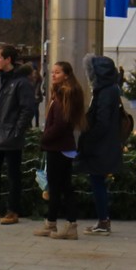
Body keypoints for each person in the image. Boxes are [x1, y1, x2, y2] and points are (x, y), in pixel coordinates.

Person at [0, 45, 35, 225]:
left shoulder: (21, 82)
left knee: (13, 174)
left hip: (11, 136)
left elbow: (27, 109)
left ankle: (12, 210)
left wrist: (17, 131)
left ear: (8, 59)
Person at [36, 61, 86, 240]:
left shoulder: (65, 95)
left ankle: (70, 225)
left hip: (60, 147)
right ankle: (51, 223)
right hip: (59, 146)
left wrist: (44, 138)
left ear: (66, 75)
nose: (54, 75)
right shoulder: (60, 94)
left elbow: (60, 124)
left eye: (57, 72)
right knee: (57, 187)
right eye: (53, 72)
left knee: (62, 187)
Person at [76, 55, 125, 235]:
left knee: (97, 181)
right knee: (97, 181)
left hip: (101, 146)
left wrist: (89, 138)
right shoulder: (109, 89)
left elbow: (102, 121)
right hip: (104, 144)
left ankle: (103, 221)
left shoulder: (105, 92)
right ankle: (103, 220)